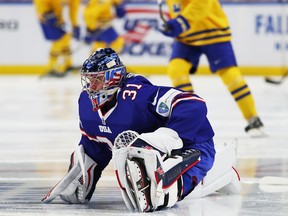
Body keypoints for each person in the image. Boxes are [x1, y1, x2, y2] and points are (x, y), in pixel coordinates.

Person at [41, 48, 241, 212]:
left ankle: (220, 170)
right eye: (89, 79)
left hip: (192, 146)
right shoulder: (85, 102)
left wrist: (167, 137)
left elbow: (193, 104)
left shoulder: (137, 94)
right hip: (155, 156)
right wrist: (86, 169)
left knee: (158, 192)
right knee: (140, 159)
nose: (91, 86)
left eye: (98, 79)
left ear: (113, 77)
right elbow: (96, 143)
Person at [158, 0, 265, 137]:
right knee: (176, 70)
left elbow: (202, 3)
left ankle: (253, 118)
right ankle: (190, 117)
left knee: (230, 75)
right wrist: (173, 26)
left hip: (213, 31)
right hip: (186, 37)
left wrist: (180, 22)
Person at [33, 0, 80, 77]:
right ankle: (51, 68)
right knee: (58, 41)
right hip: (48, 16)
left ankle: (67, 65)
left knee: (65, 38)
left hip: (58, 16)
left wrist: (75, 25)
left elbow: (73, 9)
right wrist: (45, 12)